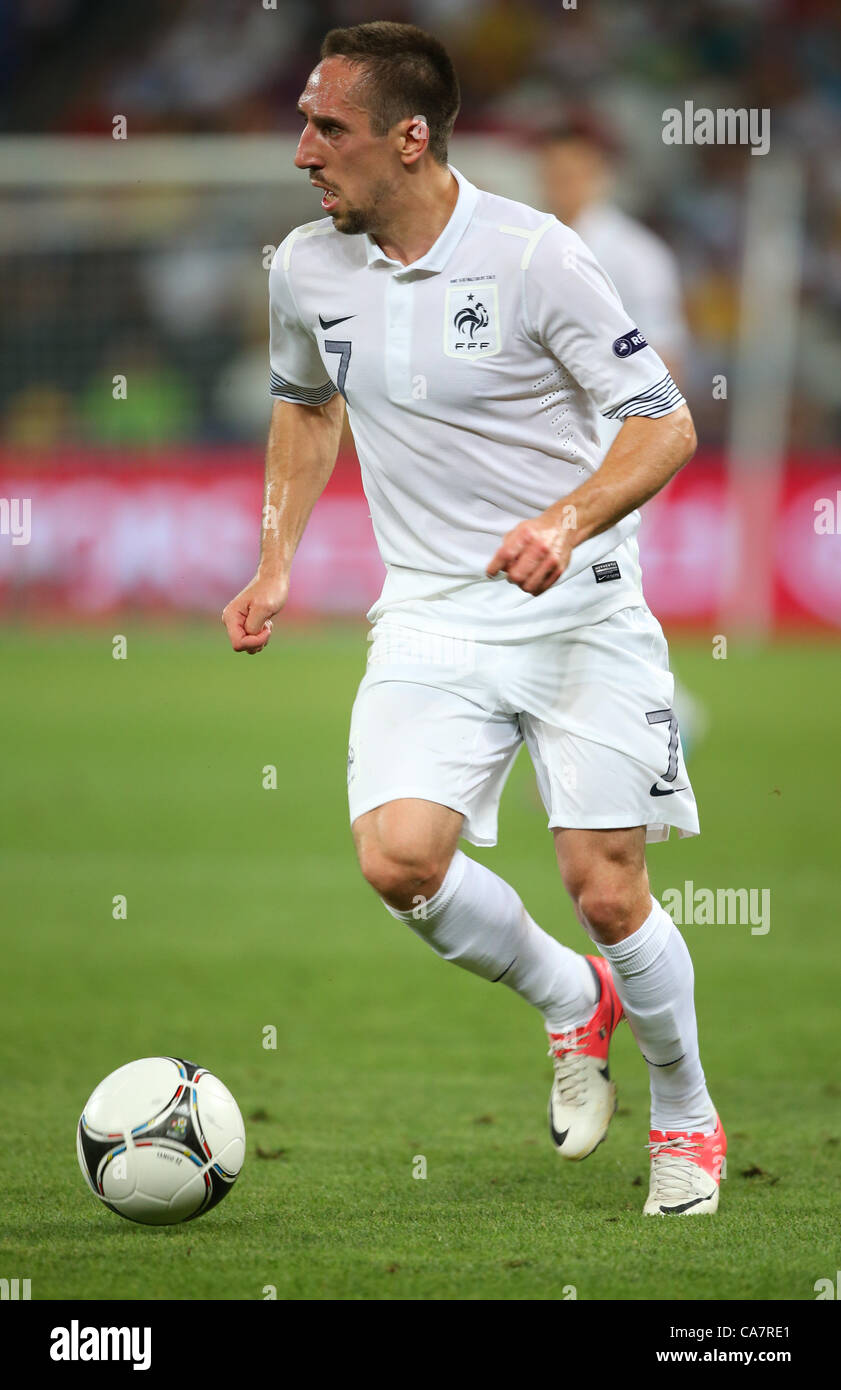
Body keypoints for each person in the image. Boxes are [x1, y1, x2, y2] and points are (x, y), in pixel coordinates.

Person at [222, 21, 725, 1216]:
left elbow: (663, 423)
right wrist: (275, 557)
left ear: (410, 137)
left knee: (606, 888)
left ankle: (686, 1112)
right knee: (398, 858)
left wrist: (563, 521)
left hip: (577, 609)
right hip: (431, 611)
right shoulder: (305, 266)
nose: (303, 151)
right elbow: (304, 407)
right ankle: (570, 999)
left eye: (326, 128)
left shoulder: (536, 257)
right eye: (303, 121)